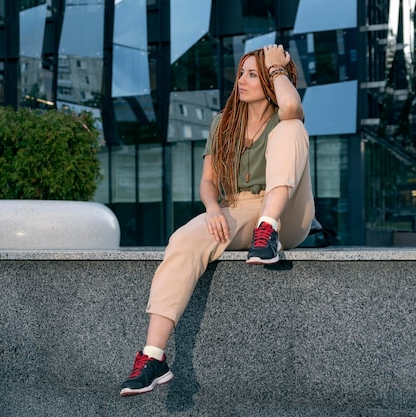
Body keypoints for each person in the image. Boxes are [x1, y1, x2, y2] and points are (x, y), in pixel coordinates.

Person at [119, 44, 315, 397]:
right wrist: (211, 209)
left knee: (292, 127)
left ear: (271, 80)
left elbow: (290, 107)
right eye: (241, 73)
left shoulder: (281, 111)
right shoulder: (223, 122)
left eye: (253, 74)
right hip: (238, 205)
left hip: (288, 206)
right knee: (182, 239)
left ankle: (268, 229)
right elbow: (208, 181)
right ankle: (153, 358)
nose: (241, 80)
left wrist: (277, 67)